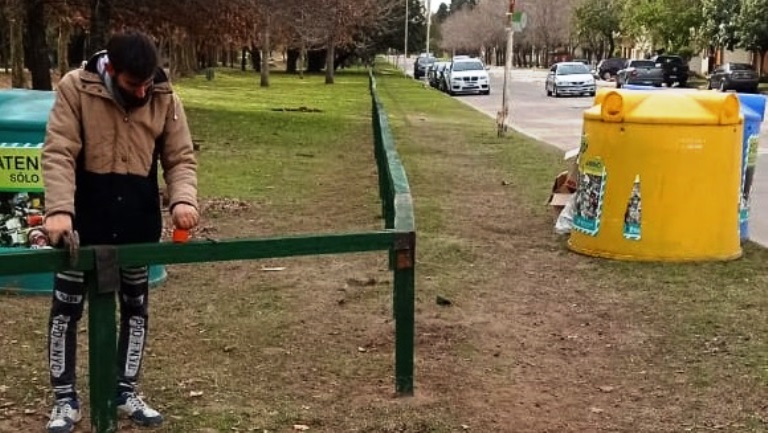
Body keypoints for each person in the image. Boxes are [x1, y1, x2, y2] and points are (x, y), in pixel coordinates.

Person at [41, 30, 199, 432]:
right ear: (111, 69)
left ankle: (125, 390)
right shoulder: (76, 88)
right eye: (133, 84)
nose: (142, 92)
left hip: (137, 221)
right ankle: (64, 400)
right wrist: (59, 210)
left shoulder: (165, 96)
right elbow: (59, 150)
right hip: (83, 222)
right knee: (66, 311)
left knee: (135, 309)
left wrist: (184, 200)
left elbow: (180, 157)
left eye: (148, 83)